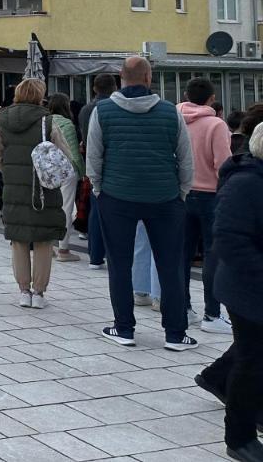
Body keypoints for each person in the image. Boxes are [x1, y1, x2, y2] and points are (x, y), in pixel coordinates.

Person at [87, 56, 196, 350]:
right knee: (170, 265)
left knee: (120, 265)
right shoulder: (169, 113)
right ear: (149, 78)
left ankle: (124, 329)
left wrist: (100, 189)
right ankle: (175, 334)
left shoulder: (103, 110)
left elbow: (94, 157)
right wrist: (181, 193)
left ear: (121, 77)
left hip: (116, 196)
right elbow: (186, 159)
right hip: (164, 198)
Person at [197, 108, 263, 462]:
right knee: (252, 359)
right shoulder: (246, 183)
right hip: (247, 289)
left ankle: (231, 390)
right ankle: (239, 438)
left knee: (253, 355)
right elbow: (229, 240)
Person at [0, 78, 68, 308]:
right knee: (44, 240)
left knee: (18, 239)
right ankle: (39, 293)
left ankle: (24, 291)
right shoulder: (48, 122)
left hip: (14, 189)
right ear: (39, 95)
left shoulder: (3, 121)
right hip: (43, 189)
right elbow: (62, 154)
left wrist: (12, 173)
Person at [179, 77, 234, 334]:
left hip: (181, 193)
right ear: (212, 98)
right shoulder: (216, 125)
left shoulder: (176, 118)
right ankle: (212, 313)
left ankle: (182, 307)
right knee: (212, 254)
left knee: (181, 254)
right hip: (211, 195)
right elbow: (223, 165)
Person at [79, 73, 117, 270]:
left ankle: (95, 256)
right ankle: (113, 255)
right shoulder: (116, 108)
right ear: (114, 88)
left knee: (94, 210)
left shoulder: (85, 110)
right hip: (112, 165)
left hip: (90, 163)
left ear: (94, 88)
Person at [48, 93, 83, 262]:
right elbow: (73, 152)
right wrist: (81, 170)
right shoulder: (67, 123)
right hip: (67, 170)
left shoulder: (45, 121)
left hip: (48, 170)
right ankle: (63, 249)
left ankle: (50, 246)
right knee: (66, 208)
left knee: (50, 208)